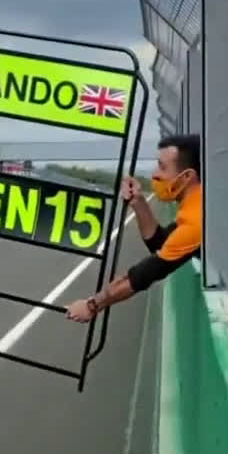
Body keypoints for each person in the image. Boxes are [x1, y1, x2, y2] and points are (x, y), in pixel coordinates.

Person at [65, 133, 202, 323]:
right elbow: (161, 245)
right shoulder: (197, 206)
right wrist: (138, 202)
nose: (155, 174)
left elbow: (145, 274)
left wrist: (91, 305)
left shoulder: (197, 220)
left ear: (186, 176)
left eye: (162, 167)